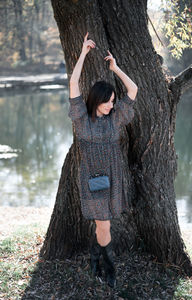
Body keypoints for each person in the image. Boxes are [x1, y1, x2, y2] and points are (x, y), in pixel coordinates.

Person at [68, 33, 138, 288]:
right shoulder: (82, 121)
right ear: (96, 100)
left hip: (113, 178)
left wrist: (116, 68)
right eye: (107, 102)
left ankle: (95, 261)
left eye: (112, 102)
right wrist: (84, 54)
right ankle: (110, 272)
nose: (111, 105)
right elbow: (74, 85)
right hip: (92, 182)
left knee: (103, 227)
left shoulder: (116, 120)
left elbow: (133, 90)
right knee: (105, 226)